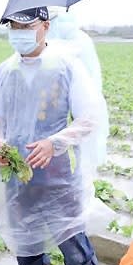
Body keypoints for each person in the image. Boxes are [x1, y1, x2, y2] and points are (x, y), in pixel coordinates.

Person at [0, 7, 107, 265]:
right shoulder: (4, 72)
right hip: (16, 177)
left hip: (59, 176)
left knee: (76, 248)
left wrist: (56, 142)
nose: (18, 32)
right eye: (12, 26)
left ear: (45, 26)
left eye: (25, 25)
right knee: (26, 246)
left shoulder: (66, 66)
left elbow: (89, 118)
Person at [47, 10, 109, 164]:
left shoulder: (61, 43)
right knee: (76, 160)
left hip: (69, 108)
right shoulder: (81, 38)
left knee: (66, 159)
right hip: (82, 108)